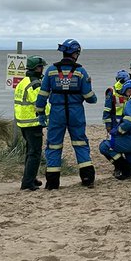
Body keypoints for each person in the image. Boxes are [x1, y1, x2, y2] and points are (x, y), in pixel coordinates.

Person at [34, 39, 98, 190]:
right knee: (80, 143)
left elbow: (42, 95)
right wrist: (91, 91)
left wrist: (41, 113)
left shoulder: (50, 71)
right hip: (76, 112)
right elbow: (90, 98)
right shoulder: (81, 72)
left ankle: (52, 183)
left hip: (57, 112)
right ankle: (87, 178)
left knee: (54, 145)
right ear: (75, 53)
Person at [13, 55, 47, 191]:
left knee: (30, 151)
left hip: (23, 122)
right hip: (33, 123)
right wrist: (49, 117)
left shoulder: (23, 82)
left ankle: (30, 178)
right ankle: (27, 183)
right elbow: (40, 103)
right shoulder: (35, 84)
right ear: (36, 68)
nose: (42, 69)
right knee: (35, 153)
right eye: (41, 67)